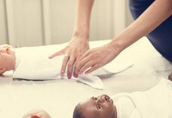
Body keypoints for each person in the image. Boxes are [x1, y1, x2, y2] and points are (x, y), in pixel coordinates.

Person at [0, 44, 133, 89]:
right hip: (67, 66)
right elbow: (46, 70)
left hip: (68, 57)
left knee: (72, 58)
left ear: (7, 50)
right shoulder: (22, 71)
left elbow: (47, 56)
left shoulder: (23, 55)